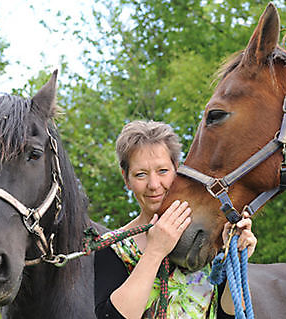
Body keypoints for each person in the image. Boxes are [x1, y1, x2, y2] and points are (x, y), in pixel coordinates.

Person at [94, 120, 257, 319]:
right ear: (126, 179)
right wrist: (155, 251)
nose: (154, 185)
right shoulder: (113, 248)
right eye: (140, 174)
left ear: (177, 170)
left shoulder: (208, 235)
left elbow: (229, 315)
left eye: (163, 171)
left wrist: (237, 258)